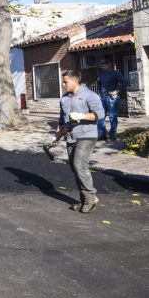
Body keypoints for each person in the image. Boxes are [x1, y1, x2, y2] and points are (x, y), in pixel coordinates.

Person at [59, 70, 105, 213]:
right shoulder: (64, 99)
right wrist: (57, 135)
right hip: (70, 136)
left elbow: (100, 114)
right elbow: (62, 120)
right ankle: (85, 198)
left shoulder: (90, 96)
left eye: (66, 82)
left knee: (79, 165)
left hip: (87, 135)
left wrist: (82, 115)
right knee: (75, 168)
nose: (63, 84)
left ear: (75, 81)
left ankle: (90, 197)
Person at [97, 59, 127, 141]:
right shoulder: (102, 74)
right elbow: (99, 83)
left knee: (112, 116)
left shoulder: (115, 73)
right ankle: (102, 135)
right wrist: (99, 92)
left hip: (112, 97)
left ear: (108, 65)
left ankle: (112, 135)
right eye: (102, 65)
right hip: (103, 97)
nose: (103, 67)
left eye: (104, 65)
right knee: (100, 116)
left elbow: (124, 82)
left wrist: (117, 91)